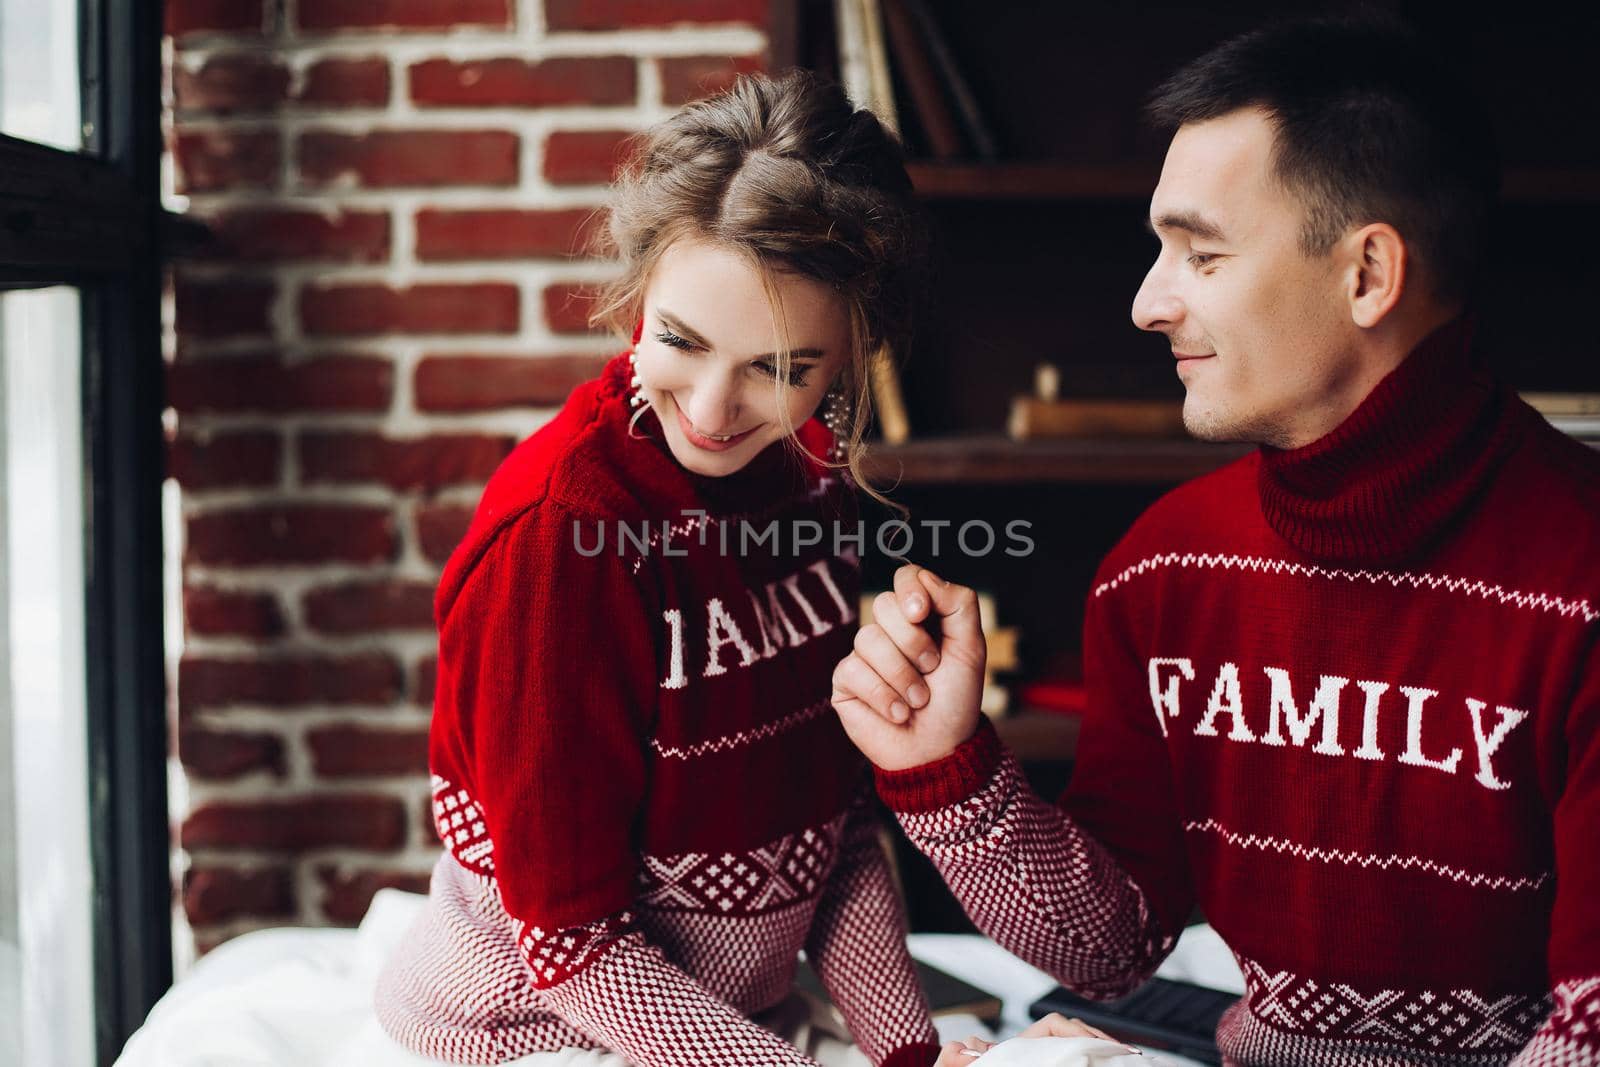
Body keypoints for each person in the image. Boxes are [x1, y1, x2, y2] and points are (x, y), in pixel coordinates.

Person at [831, 15, 1600, 1067]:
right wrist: (947, 771)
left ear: (1367, 273)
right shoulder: (1166, 567)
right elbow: (1107, 950)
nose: (1149, 301)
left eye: (1200, 252)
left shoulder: (1581, 581)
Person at [373, 71, 945, 1067]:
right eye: (678, 340)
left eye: (778, 368)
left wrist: (910, 1052)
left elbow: (838, 822)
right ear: (636, 294)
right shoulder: (561, 541)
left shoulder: (808, 481)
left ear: (850, 354)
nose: (716, 410)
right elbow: (569, 937)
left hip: (729, 1025)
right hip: (532, 1029)